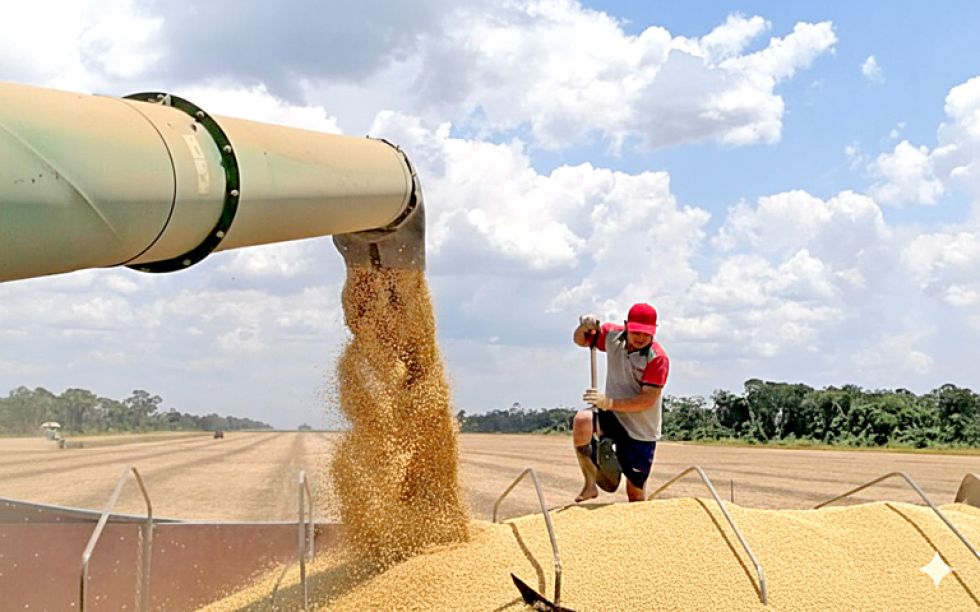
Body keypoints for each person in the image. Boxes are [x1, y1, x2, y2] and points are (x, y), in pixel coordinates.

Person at [572, 302, 669, 502]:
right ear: (626, 325)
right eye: (636, 332)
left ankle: (639, 526)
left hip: (641, 429)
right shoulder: (611, 336)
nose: (641, 338)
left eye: (646, 334)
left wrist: (607, 402)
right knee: (582, 420)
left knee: (634, 492)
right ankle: (590, 484)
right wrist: (583, 327)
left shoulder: (657, 359)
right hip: (613, 416)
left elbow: (646, 401)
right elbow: (581, 341)